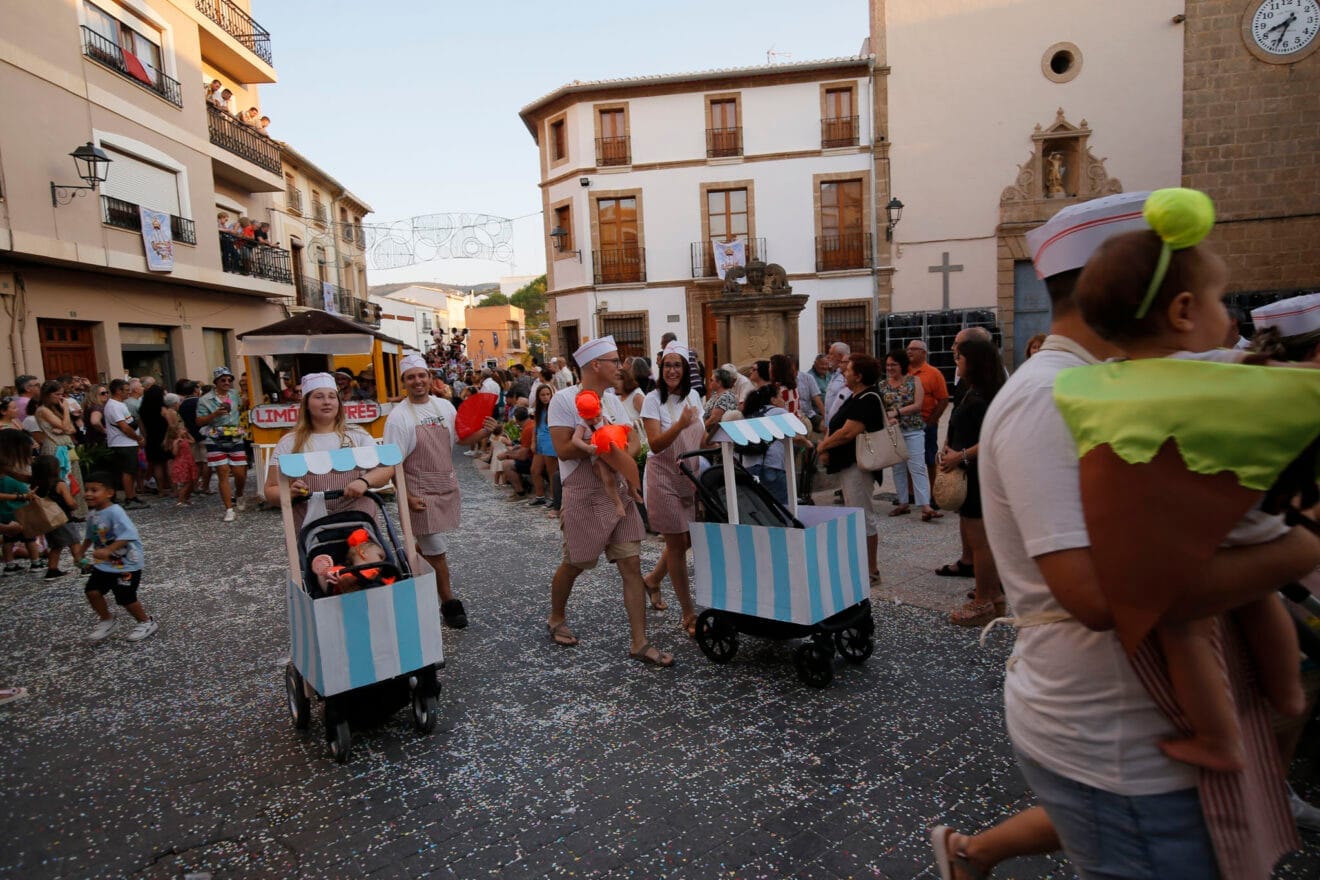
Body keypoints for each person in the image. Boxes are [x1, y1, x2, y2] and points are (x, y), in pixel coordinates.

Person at [940, 190, 1319, 879]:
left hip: (1136, 737)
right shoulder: (1052, 398)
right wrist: (1296, 549)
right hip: (1117, 741)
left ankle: (973, 854)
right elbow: (1093, 596)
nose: (1222, 319)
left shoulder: (1106, 386)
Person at [1069, 188, 1305, 771]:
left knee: (1184, 628)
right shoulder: (1231, 369)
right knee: (1261, 601)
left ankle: (1217, 739)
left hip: (1201, 536)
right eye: (1220, 300)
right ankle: (1290, 694)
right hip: (1259, 524)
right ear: (1181, 311)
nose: (1228, 316)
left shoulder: (1106, 382)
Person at [545, 336, 674, 667]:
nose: (621, 367)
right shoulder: (563, 400)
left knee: (631, 564)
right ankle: (556, 617)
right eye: (615, 361)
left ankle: (640, 642)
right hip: (584, 493)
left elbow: (633, 442)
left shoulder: (615, 402)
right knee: (575, 563)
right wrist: (602, 444)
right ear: (595, 366)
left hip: (616, 489)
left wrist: (618, 451)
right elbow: (561, 447)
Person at [384, 354, 498, 629]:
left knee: (426, 547)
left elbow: (459, 440)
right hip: (418, 491)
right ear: (404, 382)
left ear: (429, 378)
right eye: (411, 377)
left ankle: (409, 569)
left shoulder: (444, 406)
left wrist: (484, 433)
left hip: (444, 484)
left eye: (421, 375)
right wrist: (406, 496)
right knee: (437, 550)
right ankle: (449, 603)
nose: (418, 381)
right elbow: (392, 463)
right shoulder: (398, 418)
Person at [263, 372, 392, 536]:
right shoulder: (289, 442)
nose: (326, 402)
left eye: (332, 397)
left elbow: (386, 469)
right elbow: (271, 489)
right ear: (307, 404)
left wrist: (364, 481)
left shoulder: (358, 435)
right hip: (312, 522)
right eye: (319, 397)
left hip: (357, 517)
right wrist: (289, 492)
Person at [938, 337, 1006, 626]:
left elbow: (991, 440)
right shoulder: (974, 391)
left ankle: (984, 600)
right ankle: (991, 594)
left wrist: (959, 456)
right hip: (969, 471)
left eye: (960, 358)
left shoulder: (984, 398)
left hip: (978, 475)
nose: (956, 363)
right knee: (974, 535)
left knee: (981, 541)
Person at [639, 343, 705, 635]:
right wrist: (679, 425)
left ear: (686, 369)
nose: (672, 371)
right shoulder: (652, 400)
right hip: (663, 475)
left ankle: (652, 579)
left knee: (686, 540)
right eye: (668, 365)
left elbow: (700, 439)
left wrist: (713, 426)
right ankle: (689, 614)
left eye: (677, 365)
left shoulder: (694, 397)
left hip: (688, 474)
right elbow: (654, 444)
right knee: (677, 544)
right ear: (660, 369)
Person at [813, 353, 885, 585]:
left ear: (859, 375)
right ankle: (860, 565)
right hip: (848, 464)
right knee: (855, 514)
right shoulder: (857, 396)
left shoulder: (868, 398)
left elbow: (848, 432)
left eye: (849, 369)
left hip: (858, 465)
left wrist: (822, 445)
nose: (844, 372)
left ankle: (871, 570)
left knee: (863, 515)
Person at [80, 471, 158, 642]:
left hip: (127, 564)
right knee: (92, 591)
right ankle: (107, 619)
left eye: (94, 490)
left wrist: (108, 550)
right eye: (86, 490)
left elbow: (129, 533)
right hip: (104, 564)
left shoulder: (115, 511)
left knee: (125, 598)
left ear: (109, 493)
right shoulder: (92, 513)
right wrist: (80, 552)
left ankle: (146, 622)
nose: (88, 494)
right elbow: (89, 535)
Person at [879, 349, 935, 520]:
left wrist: (896, 412)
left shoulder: (914, 381)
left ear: (902, 365)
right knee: (898, 468)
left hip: (913, 430)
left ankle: (925, 505)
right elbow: (881, 409)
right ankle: (903, 502)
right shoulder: (882, 385)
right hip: (894, 432)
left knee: (917, 466)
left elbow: (918, 405)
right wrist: (888, 419)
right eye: (888, 364)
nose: (889, 368)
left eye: (893, 364)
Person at [570, 390, 640, 520]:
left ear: (601, 408)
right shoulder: (583, 424)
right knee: (607, 478)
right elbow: (575, 439)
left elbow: (613, 431)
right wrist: (587, 448)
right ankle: (617, 503)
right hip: (598, 456)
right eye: (590, 419)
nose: (595, 420)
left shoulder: (604, 418)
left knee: (627, 466)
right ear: (582, 416)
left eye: (597, 416)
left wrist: (622, 441)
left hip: (610, 452)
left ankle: (633, 490)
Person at [196, 367, 247, 522]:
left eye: (229, 380)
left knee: (240, 473)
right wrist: (214, 415)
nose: (227, 382)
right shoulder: (205, 399)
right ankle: (229, 509)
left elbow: (244, 402)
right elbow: (198, 421)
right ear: (216, 382)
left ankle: (238, 494)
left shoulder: (234, 395)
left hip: (235, 436)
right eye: (223, 380)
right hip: (215, 437)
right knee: (222, 472)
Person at [907, 339, 950, 506]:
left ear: (923, 353)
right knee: (908, 460)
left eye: (914, 349)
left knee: (930, 459)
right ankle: (911, 494)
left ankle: (934, 494)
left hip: (926, 424)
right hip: (907, 425)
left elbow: (943, 399)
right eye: (908, 349)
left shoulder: (934, 373)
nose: (909, 352)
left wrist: (932, 421)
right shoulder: (905, 372)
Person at [28, 454, 84, 580]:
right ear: (55, 469)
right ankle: (83, 566)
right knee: (74, 542)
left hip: (49, 522)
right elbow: (70, 502)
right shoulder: (60, 484)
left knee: (56, 546)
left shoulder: (35, 485)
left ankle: (52, 569)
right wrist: (75, 506)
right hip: (63, 519)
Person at [739, 385, 790, 507]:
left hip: (750, 467)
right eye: (781, 397)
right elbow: (798, 431)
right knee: (781, 508)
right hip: (771, 465)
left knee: (762, 510)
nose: (784, 400)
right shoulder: (778, 412)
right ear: (773, 400)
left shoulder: (752, 413)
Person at [0, 429, 42, 575]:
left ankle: (10, 565)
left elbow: (19, 476)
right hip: (11, 512)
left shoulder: (4, 464)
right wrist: (20, 497)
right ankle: (35, 562)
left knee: (9, 540)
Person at [102, 379, 146, 510]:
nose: (129, 392)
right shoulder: (114, 405)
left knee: (132, 470)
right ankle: (129, 497)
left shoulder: (120, 404)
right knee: (127, 471)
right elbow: (124, 427)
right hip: (121, 443)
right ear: (118, 391)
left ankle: (132, 495)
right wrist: (138, 438)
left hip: (128, 442)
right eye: (126, 390)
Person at [311, 528, 391, 595]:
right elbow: (330, 580)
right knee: (329, 576)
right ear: (363, 553)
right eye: (380, 556)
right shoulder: (342, 570)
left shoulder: (377, 574)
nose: (382, 562)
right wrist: (324, 572)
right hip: (349, 597)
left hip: (370, 596)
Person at [527, 384, 558, 508]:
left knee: (551, 472)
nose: (545, 397)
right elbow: (536, 426)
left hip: (550, 443)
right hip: (540, 442)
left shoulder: (554, 409)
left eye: (547, 394)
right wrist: (533, 441)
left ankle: (553, 497)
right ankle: (540, 496)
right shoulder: (539, 410)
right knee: (535, 470)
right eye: (542, 395)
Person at [139, 384, 172, 497]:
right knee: (167, 464)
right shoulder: (162, 408)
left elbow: (142, 426)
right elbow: (170, 425)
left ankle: (161, 490)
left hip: (151, 438)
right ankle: (172, 488)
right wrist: (167, 438)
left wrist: (146, 437)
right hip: (163, 437)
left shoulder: (143, 409)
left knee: (156, 465)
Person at [165, 420, 197, 508]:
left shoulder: (184, 439)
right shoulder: (177, 441)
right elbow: (175, 453)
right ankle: (180, 500)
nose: (185, 430)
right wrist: (175, 444)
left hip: (188, 461)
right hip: (182, 462)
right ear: (177, 432)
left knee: (190, 482)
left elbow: (193, 441)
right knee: (186, 483)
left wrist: (187, 434)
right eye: (183, 429)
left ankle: (185, 498)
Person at [702, 367, 738, 439]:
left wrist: (700, 428)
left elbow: (714, 419)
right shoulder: (716, 395)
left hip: (716, 436)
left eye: (711, 380)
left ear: (719, 383)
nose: (709, 381)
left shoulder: (726, 397)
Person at [822, 342, 852, 425]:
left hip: (841, 424)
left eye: (831, 354)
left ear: (839, 356)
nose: (828, 356)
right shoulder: (835, 373)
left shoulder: (849, 377)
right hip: (831, 424)